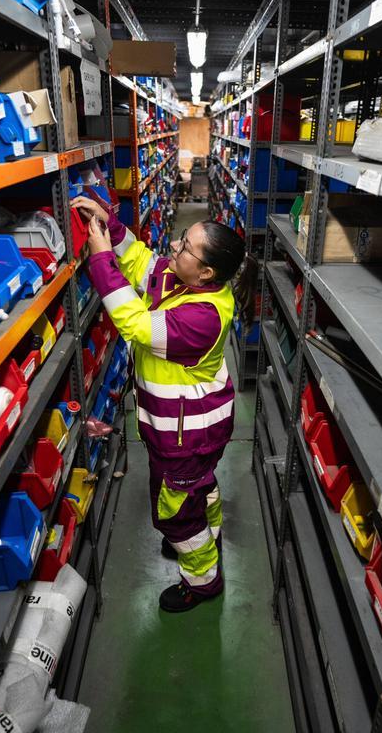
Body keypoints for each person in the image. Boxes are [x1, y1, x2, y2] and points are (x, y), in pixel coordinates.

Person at [72, 196, 249, 613]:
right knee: (196, 485)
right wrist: (111, 228)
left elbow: (134, 323)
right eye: (182, 239)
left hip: (187, 435)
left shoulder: (204, 314)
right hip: (183, 430)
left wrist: (100, 261)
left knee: (173, 515)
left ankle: (203, 581)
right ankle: (210, 532)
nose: (174, 247)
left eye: (185, 247)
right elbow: (143, 262)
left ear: (206, 272)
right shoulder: (184, 278)